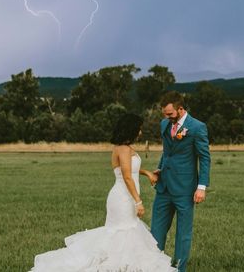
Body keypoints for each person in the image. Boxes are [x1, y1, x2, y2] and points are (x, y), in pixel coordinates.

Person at [30, 114, 176, 272]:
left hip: (122, 197)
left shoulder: (121, 148)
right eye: (139, 129)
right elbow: (127, 176)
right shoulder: (124, 149)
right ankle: (117, 265)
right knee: (122, 232)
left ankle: (122, 264)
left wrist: (146, 172)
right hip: (123, 199)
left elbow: (127, 169)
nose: (140, 132)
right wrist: (138, 201)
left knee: (123, 233)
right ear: (131, 130)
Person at [150, 91, 211, 272]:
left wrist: (202, 187)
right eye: (164, 114)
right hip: (164, 187)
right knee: (156, 233)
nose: (166, 117)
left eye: (170, 114)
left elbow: (204, 158)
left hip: (185, 189)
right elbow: (167, 151)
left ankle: (178, 269)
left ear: (181, 109)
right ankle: (154, 266)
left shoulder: (197, 127)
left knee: (183, 234)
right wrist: (160, 168)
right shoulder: (164, 124)